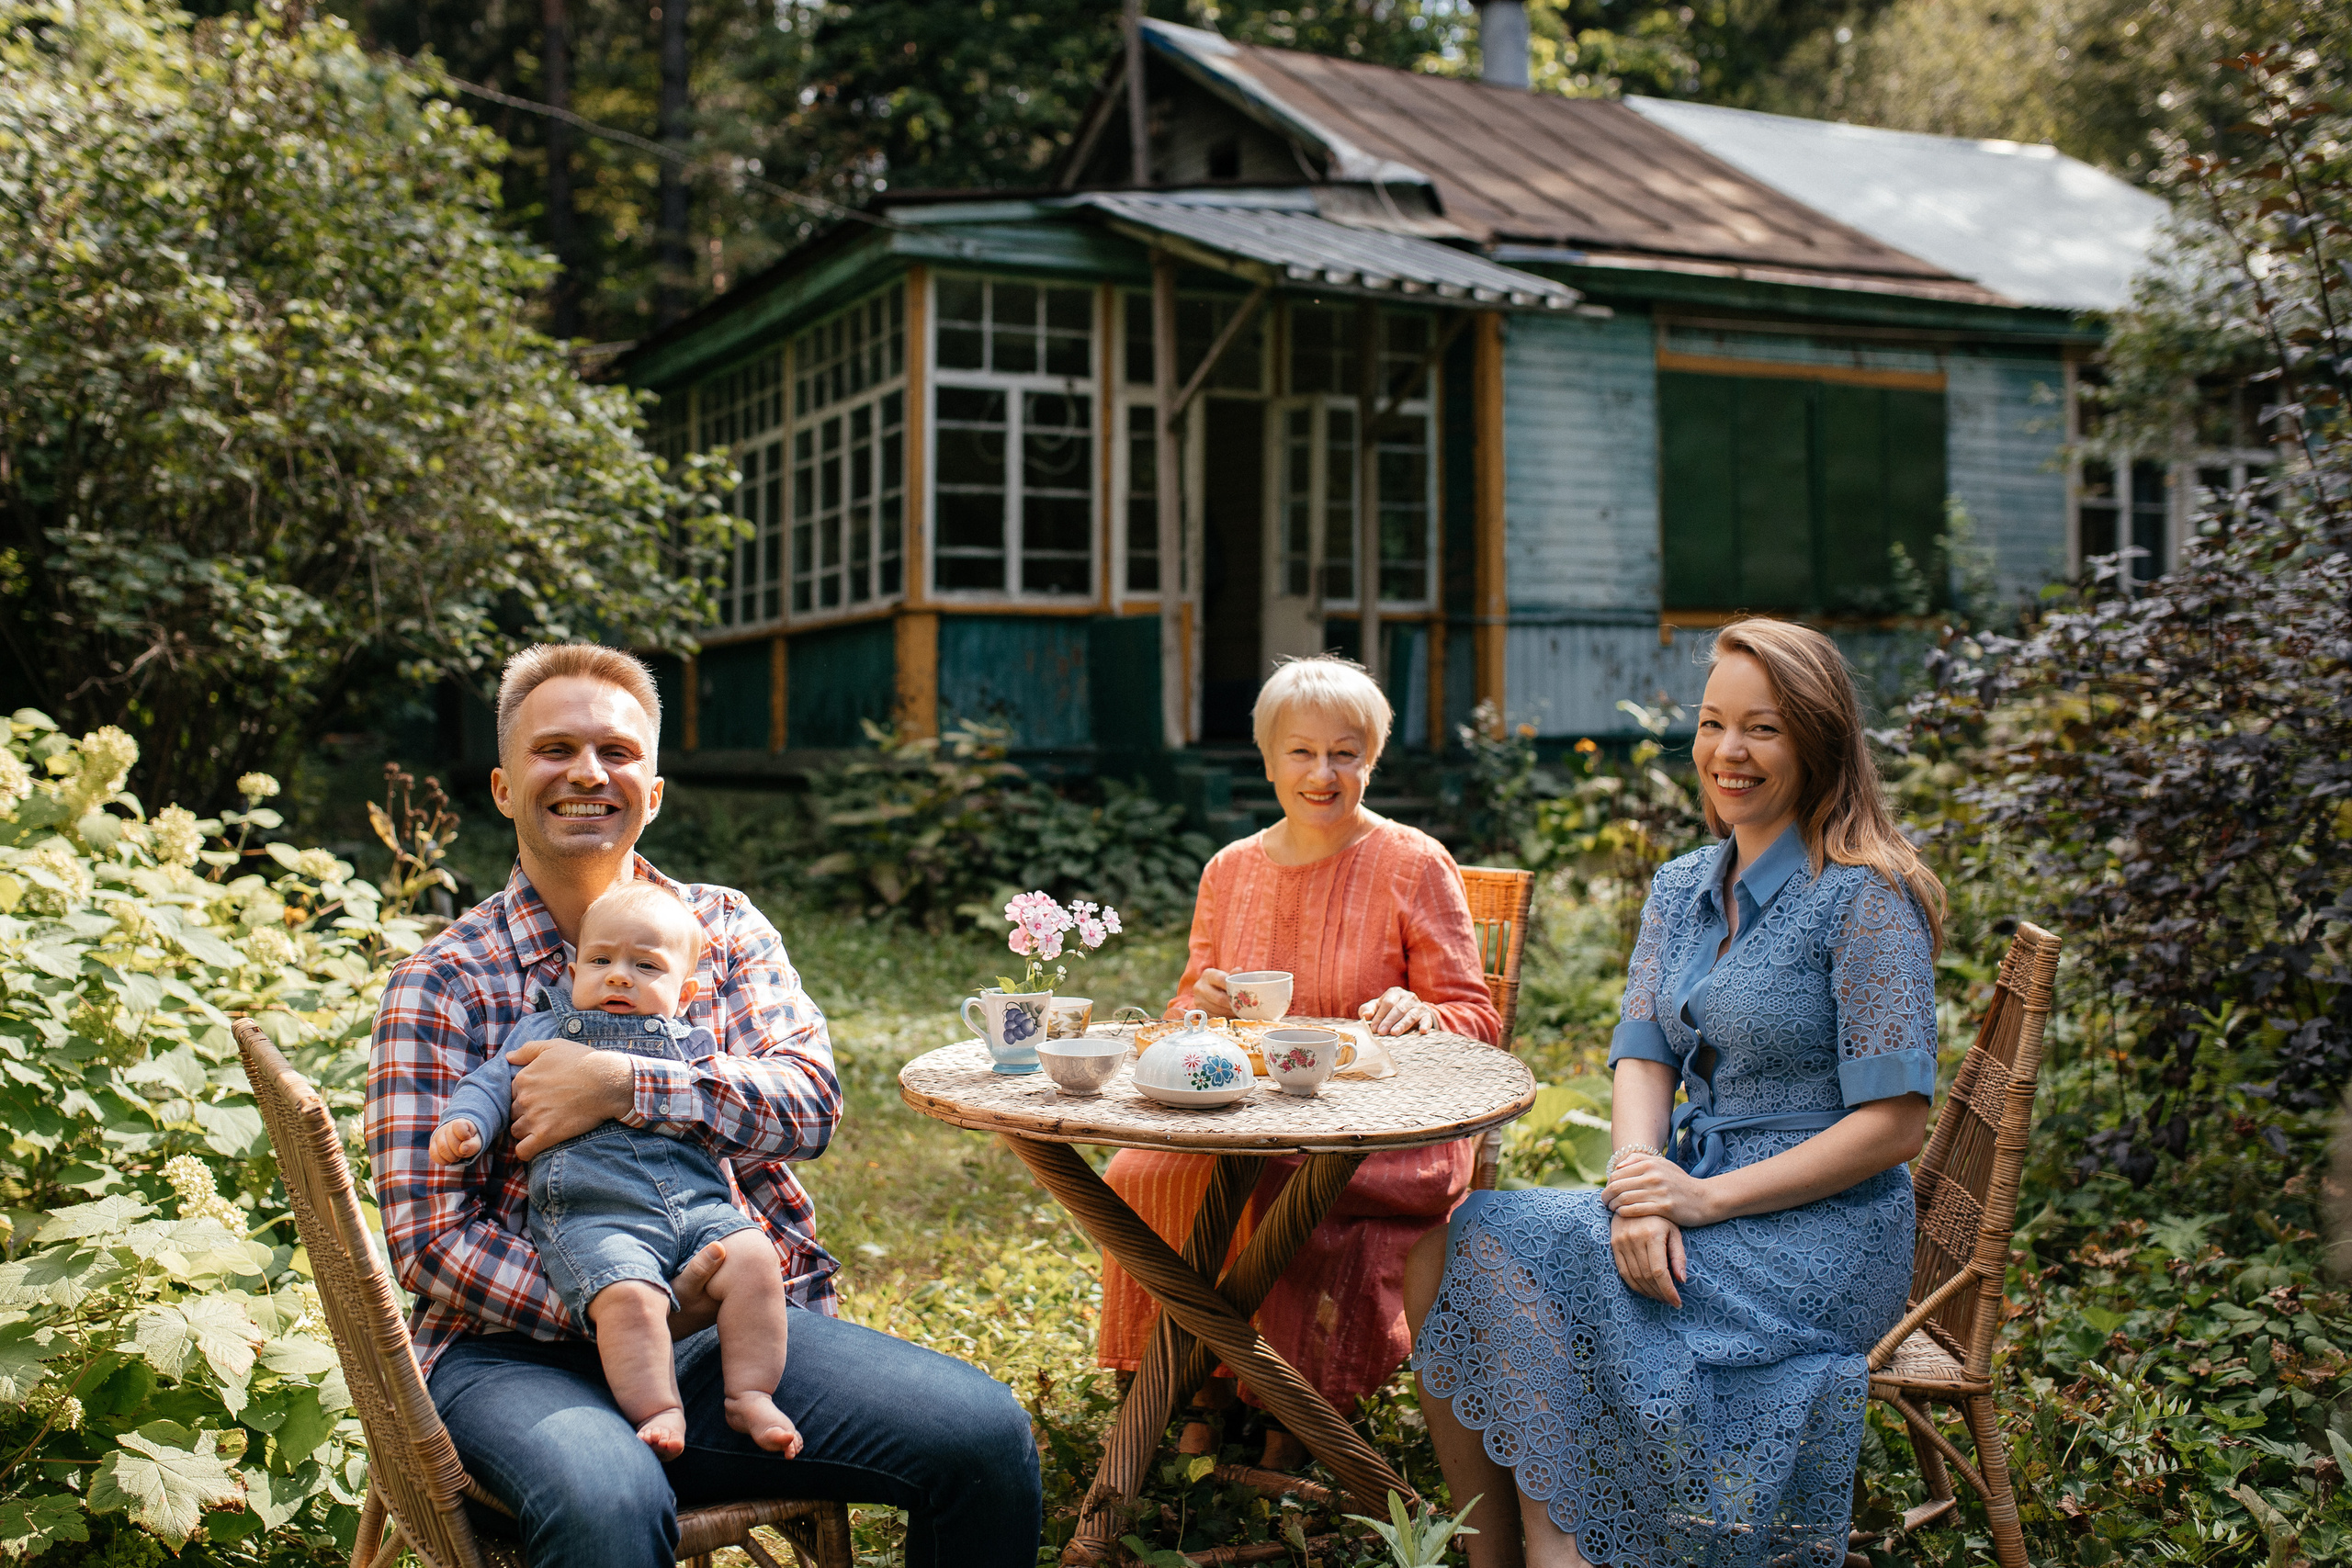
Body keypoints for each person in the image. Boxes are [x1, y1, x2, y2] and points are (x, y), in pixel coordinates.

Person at [368, 643, 1039, 1568]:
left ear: (654, 789)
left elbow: (809, 1105)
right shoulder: (442, 983)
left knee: (983, 1436)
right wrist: (619, 1303)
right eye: (553, 749)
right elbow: (429, 1240)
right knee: (607, 1499)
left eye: (617, 751)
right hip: (511, 1358)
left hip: (728, 1334)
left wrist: (626, 1085)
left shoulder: (722, 930)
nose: (588, 774)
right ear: (502, 785)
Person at [1405, 619, 1943, 1568]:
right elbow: (1643, 1054)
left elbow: (1896, 1123)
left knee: (1501, 1251)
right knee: (1447, 1249)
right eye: (1711, 724)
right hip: (1695, 1185)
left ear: (1819, 741)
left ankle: (1561, 1552)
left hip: (1819, 1228)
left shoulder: (1865, 898)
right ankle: (1505, 1556)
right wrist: (1638, 1179)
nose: (1727, 753)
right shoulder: (1683, 883)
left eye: (1763, 729)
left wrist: (1698, 1199)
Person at [1097, 655, 1500, 1466]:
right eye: (1302, 752)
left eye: (1345, 752)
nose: (1323, 773)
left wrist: (1421, 1011)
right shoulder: (1230, 870)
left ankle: (1289, 1402)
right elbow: (1183, 1016)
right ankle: (1197, 1383)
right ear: (1269, 756)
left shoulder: (1416, 862)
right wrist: (1200, 1005)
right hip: (1244, 1119)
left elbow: (1477, 1018)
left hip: (1380, 1136)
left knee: (1277, 1190)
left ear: (1371, 758)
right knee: (1142, 1175)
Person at [429, 881, 801, 1460]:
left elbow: (756, 1100)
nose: (619, 976)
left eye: (645, 965)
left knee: (756, 1263)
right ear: (574, 969)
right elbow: (490, 1084)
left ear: (686, 990)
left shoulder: (694, 1046)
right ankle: (660, 1408)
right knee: (629, 1296)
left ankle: (750, 1392)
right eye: (600, 960)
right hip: (594, 1217)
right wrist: (470, 1125)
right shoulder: (541, 1031)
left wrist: (624, 1084)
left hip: (699, 1209)